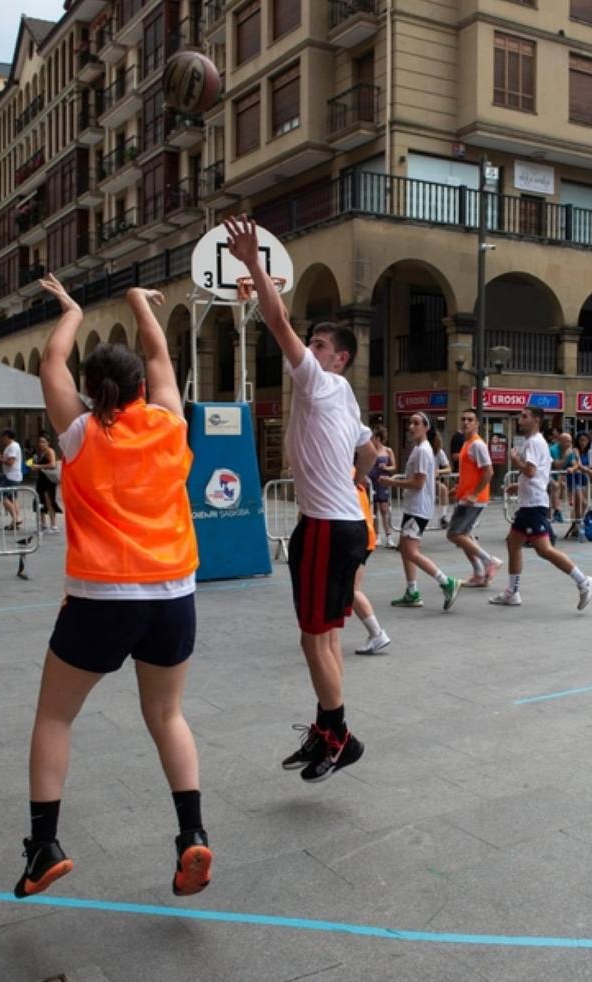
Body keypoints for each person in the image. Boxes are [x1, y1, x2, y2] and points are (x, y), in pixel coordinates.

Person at [14, 277, 211, 900]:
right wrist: (136, 304)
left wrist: (71, 309)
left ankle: (44, 845)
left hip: (101, 596)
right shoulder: (169, 426)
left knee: (55, 714)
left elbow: (51, 360)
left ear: (93, 389)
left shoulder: (78, 434)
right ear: (138, 390)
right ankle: (191, 836)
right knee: (167, 715)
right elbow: (160, 358)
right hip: (173, 592)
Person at [226, 216, 376, 782]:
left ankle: (339, 737)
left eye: (319, 345)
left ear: (338, 358)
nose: (309, 350)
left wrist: (252, 262)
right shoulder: (346, 397)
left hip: (323, 526)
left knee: (313, 640)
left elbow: (276, 319)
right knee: (329, 635)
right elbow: (370, 452)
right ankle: (324, 730)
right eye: (311, 344)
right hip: (346, 524)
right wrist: (356, 482)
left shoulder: (318, 381)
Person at [489, 405, 592, 610]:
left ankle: (583, 581)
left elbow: (530, 470)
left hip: (533, 505)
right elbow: (538, 473)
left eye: (524, 416)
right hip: (529, 503)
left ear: (536, 420)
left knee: (544, 550)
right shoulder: (537, 443)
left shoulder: (534, 443)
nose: (520, 420)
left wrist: (515, 461)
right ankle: (512, 592)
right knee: (513, 544)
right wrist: (518, 484)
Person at [379, 412, 462, 610]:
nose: (411, 426)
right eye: (410, 423)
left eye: (416, 423)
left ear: (426, 427)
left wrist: (392, 482)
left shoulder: (424, 450)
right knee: (405, 549)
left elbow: (419, 482)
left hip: (418, 508)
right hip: (414, 507)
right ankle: (412, 591)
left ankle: (446, 582)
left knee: (410, 550)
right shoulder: (420, 449)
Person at [446, 409, 502, 587]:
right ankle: (479, 573)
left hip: (473, 499)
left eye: (470, 419)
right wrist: (458, 488)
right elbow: (471, 473)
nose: (466, 422)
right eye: (463, 419)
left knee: (454, 534)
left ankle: (488, 561)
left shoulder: (477, 444)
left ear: (477, 423)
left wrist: (474, 494)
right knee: (464, 535)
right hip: (467, 496)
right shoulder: (467, 443)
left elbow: (488, 472)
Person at [351, 470, 390, 655]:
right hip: (365, 538)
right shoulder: (355, 479)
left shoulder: (347, 482)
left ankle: (376, 633)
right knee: (351, 589)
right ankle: (375, 633)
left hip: (358, 539)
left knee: (353, 590)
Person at [367, 426, 397, 548]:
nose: (371, 440)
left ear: (378, 438)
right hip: (371, 481)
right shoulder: (370, 450)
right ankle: (377, 536)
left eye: (373, 437)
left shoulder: (388, 450)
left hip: (382, 481)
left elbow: (394, 467)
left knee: (384, 509)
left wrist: (386, 468)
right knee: (374, 510)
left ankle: (389, 536)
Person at [0, 428, 25, 530]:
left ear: (7, 437)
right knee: (12, 498)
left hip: (11, 476)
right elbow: (8, 458)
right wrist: (1, 456)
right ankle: (15, 520)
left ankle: (16, 517)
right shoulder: (11, 446)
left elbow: (10, 462)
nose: (2, 440)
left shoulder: (13, 446)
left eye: (3, 437)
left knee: (1, 495)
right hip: (11, 475)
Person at [31, 433, 61, 532]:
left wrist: (38, 466)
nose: (41, 444)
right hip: (41, 479)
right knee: (40, 501)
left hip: (49, 480)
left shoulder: (50, 451)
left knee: (49, 502)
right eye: (40, 442)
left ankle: (53, 525)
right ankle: (43, 524)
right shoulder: (40, 453)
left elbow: (52, 465)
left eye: (43, 442)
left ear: (48, 443)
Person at [432, 429, 453, 529]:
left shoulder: (438, 452)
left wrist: (438, 471)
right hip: (420, 478)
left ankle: (443, 517)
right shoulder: (420, 448)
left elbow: (448, 468)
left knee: (443, 489)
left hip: (432, 480)